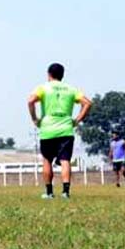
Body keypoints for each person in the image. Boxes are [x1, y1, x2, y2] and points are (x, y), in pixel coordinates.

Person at [27, 62, 92, 200]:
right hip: (66, 129)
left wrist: (35, 118)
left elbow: (31, 101)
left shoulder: (43, 88)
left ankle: (49, 192)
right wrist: (77, 120)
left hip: (48, 129)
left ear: (48, 74)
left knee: (47, 160)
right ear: (62, 75)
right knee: (65, 160)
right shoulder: (70, 89)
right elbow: (87, 103)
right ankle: (65, 192)